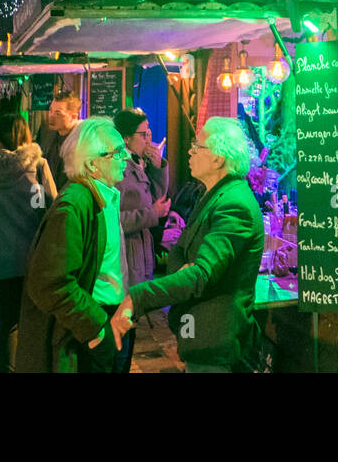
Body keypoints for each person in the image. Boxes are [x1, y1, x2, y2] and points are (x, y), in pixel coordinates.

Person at [112, 117, 264, 373]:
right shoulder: (215, 194)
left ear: (218, 159)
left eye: (198, 146)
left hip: (215, 344)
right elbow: (179, 255)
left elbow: (200, 274)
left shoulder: (233, 204)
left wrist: (136, 298)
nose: (190, 150)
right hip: (202, 338)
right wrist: (185, 267)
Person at [15, 117, 128, 373]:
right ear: (92, 163)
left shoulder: (104, 197)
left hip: (107, 318)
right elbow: (50, 282)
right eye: (118, 153)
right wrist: (97, 329)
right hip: (87, 328)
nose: (127, 158)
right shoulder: (74, 206)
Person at [0, 114, 57, 372]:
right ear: (25, 135)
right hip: (32, 256)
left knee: (9, 317)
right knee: (34, 317)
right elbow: (52, 209)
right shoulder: (38, 165)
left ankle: (8, 368)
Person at [112, 107, 171, 372]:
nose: (148, 139)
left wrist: (158, 167)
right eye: (143, 134)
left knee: (131, 325)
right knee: (122, 328)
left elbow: (154, 198)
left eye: (149, 133)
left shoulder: (138, 164)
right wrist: (152, 214)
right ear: (126, 138)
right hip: (126, 256)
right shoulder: (118, 169)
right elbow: (114, 221)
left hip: (141, 253)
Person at [38, 91, 82, 191]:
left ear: (74, 117)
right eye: (50, 111)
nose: (51, 116)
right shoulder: (49, 136)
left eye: (58, 113)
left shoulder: (82, 143)